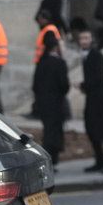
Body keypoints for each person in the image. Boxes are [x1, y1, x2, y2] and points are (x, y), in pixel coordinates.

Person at [78, 29, 103, 173]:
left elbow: (98, 78)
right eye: (82, 38)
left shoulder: (97, 55)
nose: (83, 41)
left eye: (86, 38)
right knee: (92, 129)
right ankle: (100, 161)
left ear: (92, 40)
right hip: (92, 97)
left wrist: (83, 85)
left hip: (100, 99)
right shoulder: (86, 56)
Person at [33, 33, 69, 169]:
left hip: (43, 103)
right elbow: (64, 85)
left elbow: (35, 86)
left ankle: (51, 160)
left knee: (48, 130)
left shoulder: (41, 63)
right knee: (53, 133)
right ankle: (51, 161)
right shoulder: (59, 63)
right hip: (55, 103)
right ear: (55, 47)